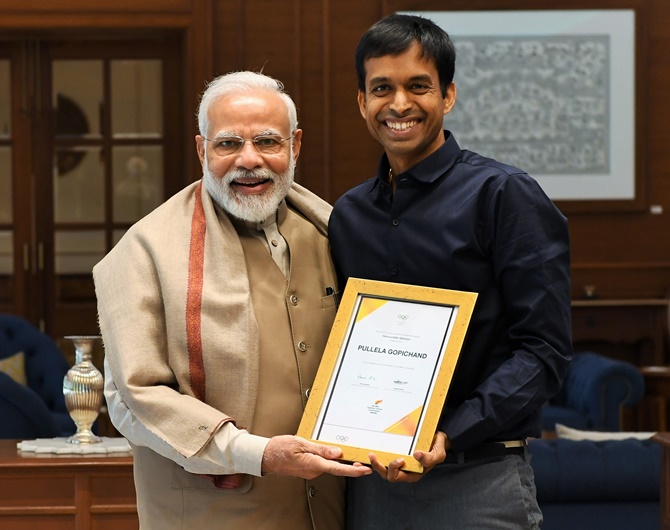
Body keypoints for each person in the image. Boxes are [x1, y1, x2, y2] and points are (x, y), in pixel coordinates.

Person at [93, 70, 370, 529]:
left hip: (330, 509)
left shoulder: (333, 233)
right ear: (202, 149)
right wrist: (257, 453)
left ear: (295, 146)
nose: (249, 160)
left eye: (267, 141)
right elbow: (131, 401)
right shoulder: (146, 251)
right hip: (211, 513)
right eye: (227, 144)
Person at [328, 14, 572, 529]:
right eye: (381, 88)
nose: (399, 104)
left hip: (479, 480)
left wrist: (451, 432)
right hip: (372, 485)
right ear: (361, 102)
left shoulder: (504, 196)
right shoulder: (348, 216)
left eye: (419, 86)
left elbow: (544, 351)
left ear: (448, 96)